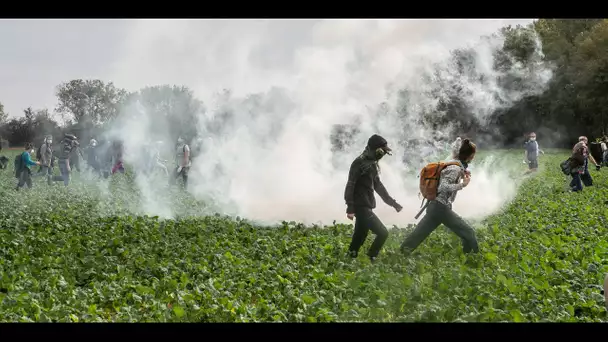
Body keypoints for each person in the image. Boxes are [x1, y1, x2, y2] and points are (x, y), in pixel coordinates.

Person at [400, 138, 479, 255]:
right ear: (469, 156)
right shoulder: (455, 168)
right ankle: (474, 257)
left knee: (419, 234)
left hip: (434, 207)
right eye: (473, 154)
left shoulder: (455, 165)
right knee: (468, 232)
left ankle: (402, 252)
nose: (474, 157)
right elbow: (443, 187)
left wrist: (462, 173)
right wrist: (463, 184)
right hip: (440, 208)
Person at [344, 134, 403, 262]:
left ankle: (349, 258)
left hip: (366, 205)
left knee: (360, 235)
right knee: (383, 233)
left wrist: (393, 203)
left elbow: (379, 187)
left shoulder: (371, 164)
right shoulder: (359, 163)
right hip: (361, 207)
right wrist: (350, 207)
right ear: (377, 149)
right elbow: (350, 185)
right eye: (382, 151)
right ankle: (372, 257)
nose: (383, 155)